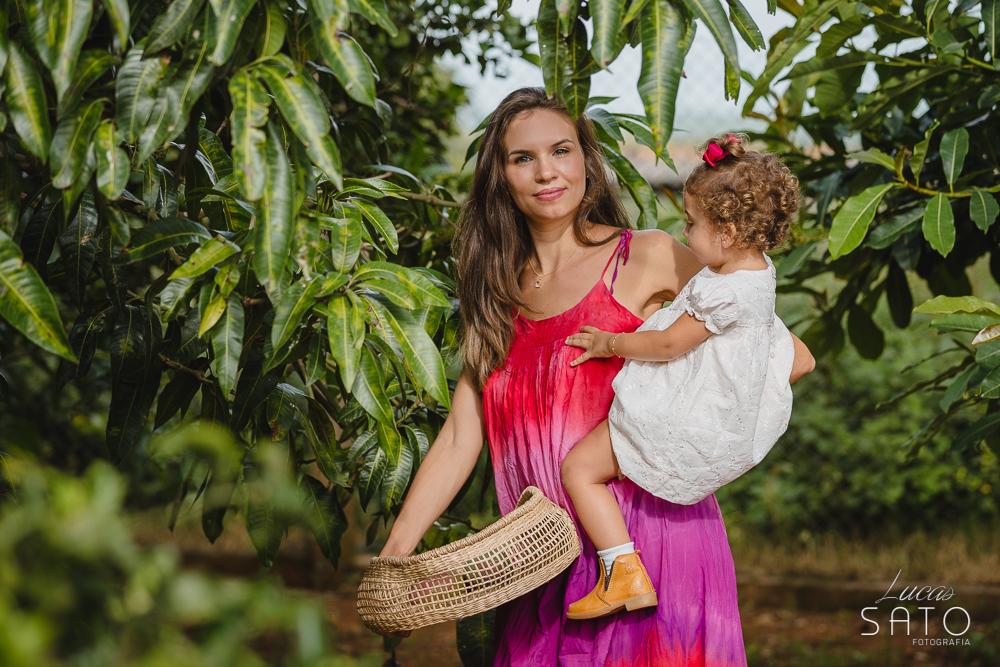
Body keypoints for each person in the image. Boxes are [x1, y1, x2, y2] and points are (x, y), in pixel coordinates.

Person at [376, 88, 815, 666]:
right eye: (522, 158)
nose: (546, 172)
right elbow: (462, 437)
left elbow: (787, 354)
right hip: (544, 563)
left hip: (655, 543)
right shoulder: (496, 294)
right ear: (500, 176)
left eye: (561, 150)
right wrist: (396, 561)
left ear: (587, 158)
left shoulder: (650, 256)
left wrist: (699, 442)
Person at [560, 133, 798, 621]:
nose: (685, 234)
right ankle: (625, 571)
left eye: (692, 224)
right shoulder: (757, 274)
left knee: (578, 470)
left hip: (674, 415)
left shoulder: (725, 292)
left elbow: (669, 345)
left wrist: (611, 343)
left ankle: (623, 573)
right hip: (696, 412)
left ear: (728, 231)